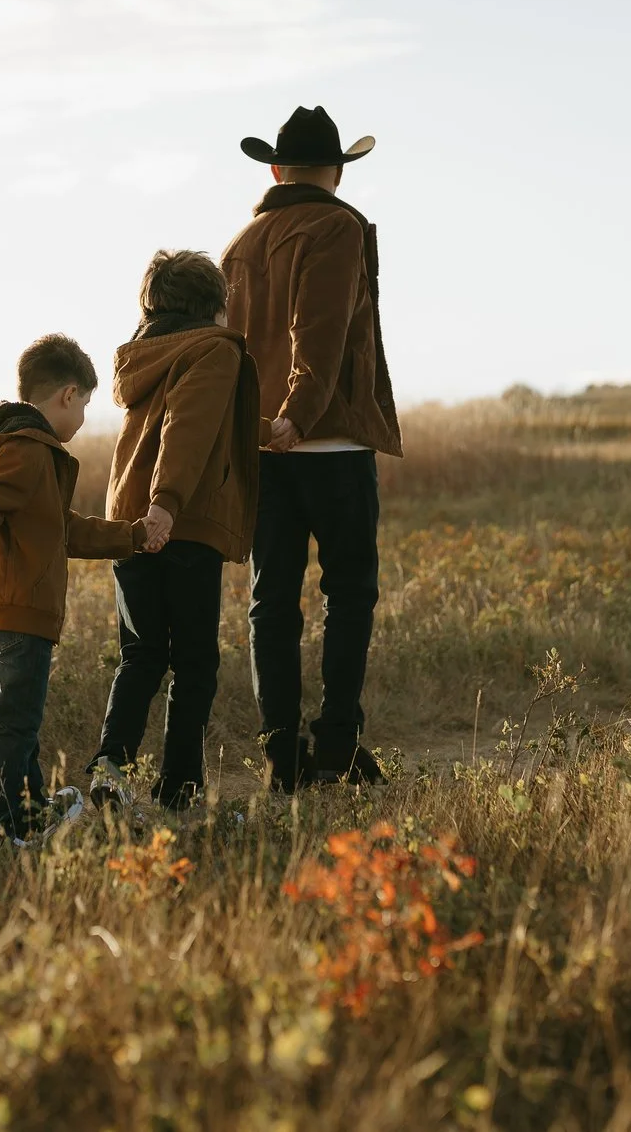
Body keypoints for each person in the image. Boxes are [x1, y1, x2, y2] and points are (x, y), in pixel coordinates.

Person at [223, 105, 402, 792]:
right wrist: (297, 414)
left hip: (260, 449)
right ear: (334, 172)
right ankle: (333, 748)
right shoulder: (338, 224)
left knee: (271, 601)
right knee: (350, 593)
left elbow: (229, 351)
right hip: (325, 444)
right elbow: (318, 330)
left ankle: (280, 756)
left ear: (275, 169)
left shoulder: (241, 241)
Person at [0, 335, 149, 839]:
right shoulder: (30, 451)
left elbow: (63, 528)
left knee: (13, 721)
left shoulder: (6, 443)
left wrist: (132, 536)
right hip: (17, 608)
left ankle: (27, 814)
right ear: (67, 395)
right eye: (86, 406)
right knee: (15, 726)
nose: (83, 421)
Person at [87, 250, 259, 811]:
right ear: (213, 304)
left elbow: (182, 420)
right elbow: (187, 428)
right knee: (194, 661)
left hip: (131, 523)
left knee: (140, 655)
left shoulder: (146, 356)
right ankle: (180, 785)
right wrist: (167, 503)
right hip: (180, 524)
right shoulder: (213, 349)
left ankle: (109, 771)